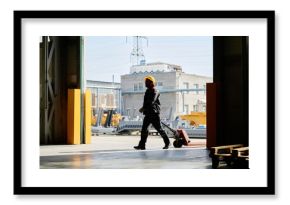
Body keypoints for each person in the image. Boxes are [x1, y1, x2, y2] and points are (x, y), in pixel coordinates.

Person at [134, 75, 171, 150]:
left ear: (151, 83)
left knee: (159, 129)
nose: (145, 83)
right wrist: (144, 109)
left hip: (154, 113)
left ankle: (167, 143)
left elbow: (151, 101)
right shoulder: (147, 91)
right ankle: (142, 145)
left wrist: (143, 108)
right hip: (148, 113)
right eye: (145, 82)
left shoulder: (155, 91)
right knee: (144, 129)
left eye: (147, 82)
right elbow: (146, 102)